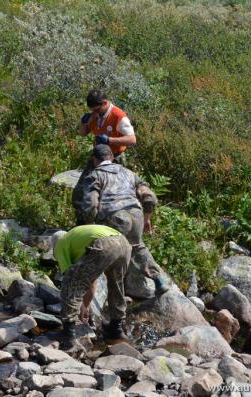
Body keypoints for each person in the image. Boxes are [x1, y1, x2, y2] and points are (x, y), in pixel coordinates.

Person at [78, 144, 169, 295]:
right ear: (112, 157)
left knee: (108, 254)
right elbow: (149, 197)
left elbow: (91, 203)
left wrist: (90, 224)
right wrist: (146, 218)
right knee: (137, 246)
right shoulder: (129, 173)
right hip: (136, 214)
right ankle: (159, 280)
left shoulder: (94, 175)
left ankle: (108, 296)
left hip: (114, 216)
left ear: (94, 159)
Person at [52, 225, 132, 349]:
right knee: (116, 284)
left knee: (70, 282)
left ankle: (68, 333)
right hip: (124, 243)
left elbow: (72, 279)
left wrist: (75, 306)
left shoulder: (60, 243)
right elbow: (90, 278)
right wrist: (86, 305)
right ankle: (116, 329)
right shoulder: (77, 239)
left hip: (104, 244)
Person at [73, 90, 137, 224]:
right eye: (92, 110)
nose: (94, 113)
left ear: (105, 103)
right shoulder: (95, 115)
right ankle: (82, 224)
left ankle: (113, 224)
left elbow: (132, 140)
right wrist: (84, 123)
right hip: (96, 157)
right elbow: (82, 133)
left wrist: (109, 140)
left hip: (115, 158)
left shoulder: (118, 116)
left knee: (112, 194)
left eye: (96, 109)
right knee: (81, 190)